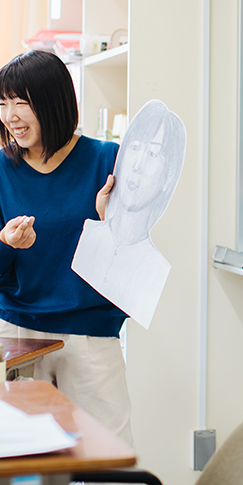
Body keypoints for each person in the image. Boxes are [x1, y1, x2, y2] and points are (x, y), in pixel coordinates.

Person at [0, 50, 144, 485]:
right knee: (12, 461)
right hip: (16, 331)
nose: (10, 116)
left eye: (20, 101)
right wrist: (5, 243)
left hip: (89, 330)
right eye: (2, 103)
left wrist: (113, 221)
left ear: (55, 99)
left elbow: (135, 254)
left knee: (110, 462)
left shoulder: (108, 159)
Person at [71, 100, 186, 329]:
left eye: (153, 153)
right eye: (134, 148)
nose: (138, 165)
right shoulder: (90, 235)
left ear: (168, 177)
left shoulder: (156, 269)